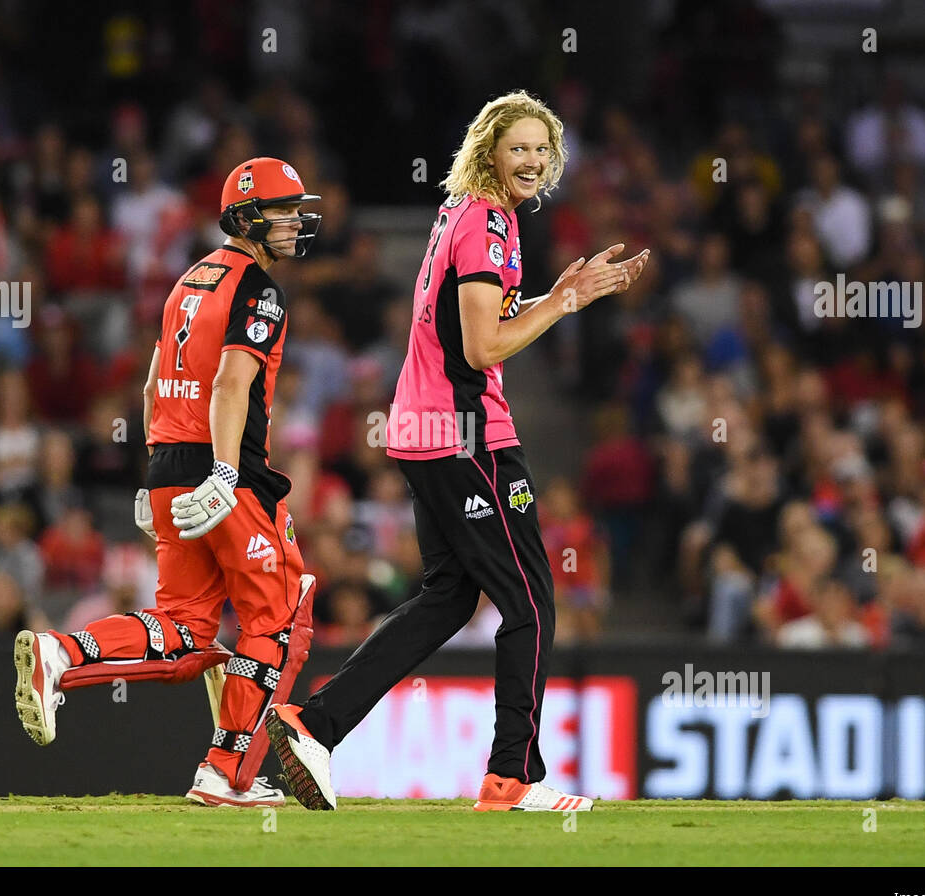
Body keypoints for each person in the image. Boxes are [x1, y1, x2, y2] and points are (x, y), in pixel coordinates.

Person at [266, 91, 648, 811]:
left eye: (543, 147)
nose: (533, 159)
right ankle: (513, 777)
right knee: (531, 598)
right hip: (465, 433)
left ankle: (313, 724)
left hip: (425, 429)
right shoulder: (489, 221)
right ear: (489, 152)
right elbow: (481, 345)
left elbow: (469, 317)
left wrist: (558, 290)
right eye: (520, 147)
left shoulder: (462, 215)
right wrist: (562, 305)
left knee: (448, 599)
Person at [13, 157, 321, 807]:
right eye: (284, 210)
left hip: (168, 466)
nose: (295, 222)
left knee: (183, 631)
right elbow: (234, 383)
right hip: (224, 470)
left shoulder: (187, 279)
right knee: (279, 615)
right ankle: (227, 771)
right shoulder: (259, 289)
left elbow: (155, 385)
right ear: (248, 217)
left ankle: (60, 653)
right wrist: (229, 473)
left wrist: (155, 477)